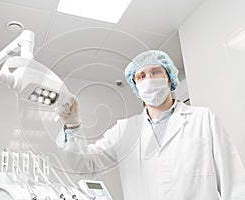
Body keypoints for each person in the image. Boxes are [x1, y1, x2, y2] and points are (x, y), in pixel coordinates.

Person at [56, 50, 245, 200]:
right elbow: (84, 165)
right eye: (141, 76)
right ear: (135, 85)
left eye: (156, 72)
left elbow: (235, 183)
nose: (149, 80)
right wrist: (72, 126)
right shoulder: (124, 131)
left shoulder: (204, 119)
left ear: (169, 77)